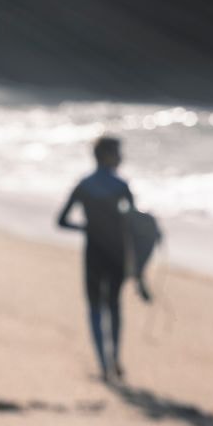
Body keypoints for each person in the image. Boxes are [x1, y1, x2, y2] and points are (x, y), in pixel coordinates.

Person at [57, 136, 151, 382]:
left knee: (95, 307)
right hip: (117, 253)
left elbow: (62, 221)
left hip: (93, 253)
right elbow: (133, 226)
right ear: (107, 155)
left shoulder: (84, 185)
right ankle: (115, 358)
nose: (122, 157)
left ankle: (103, 364)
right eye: (118, 152)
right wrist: (140, 270)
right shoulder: (121, 186)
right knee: (114, 306)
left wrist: (86, 229)